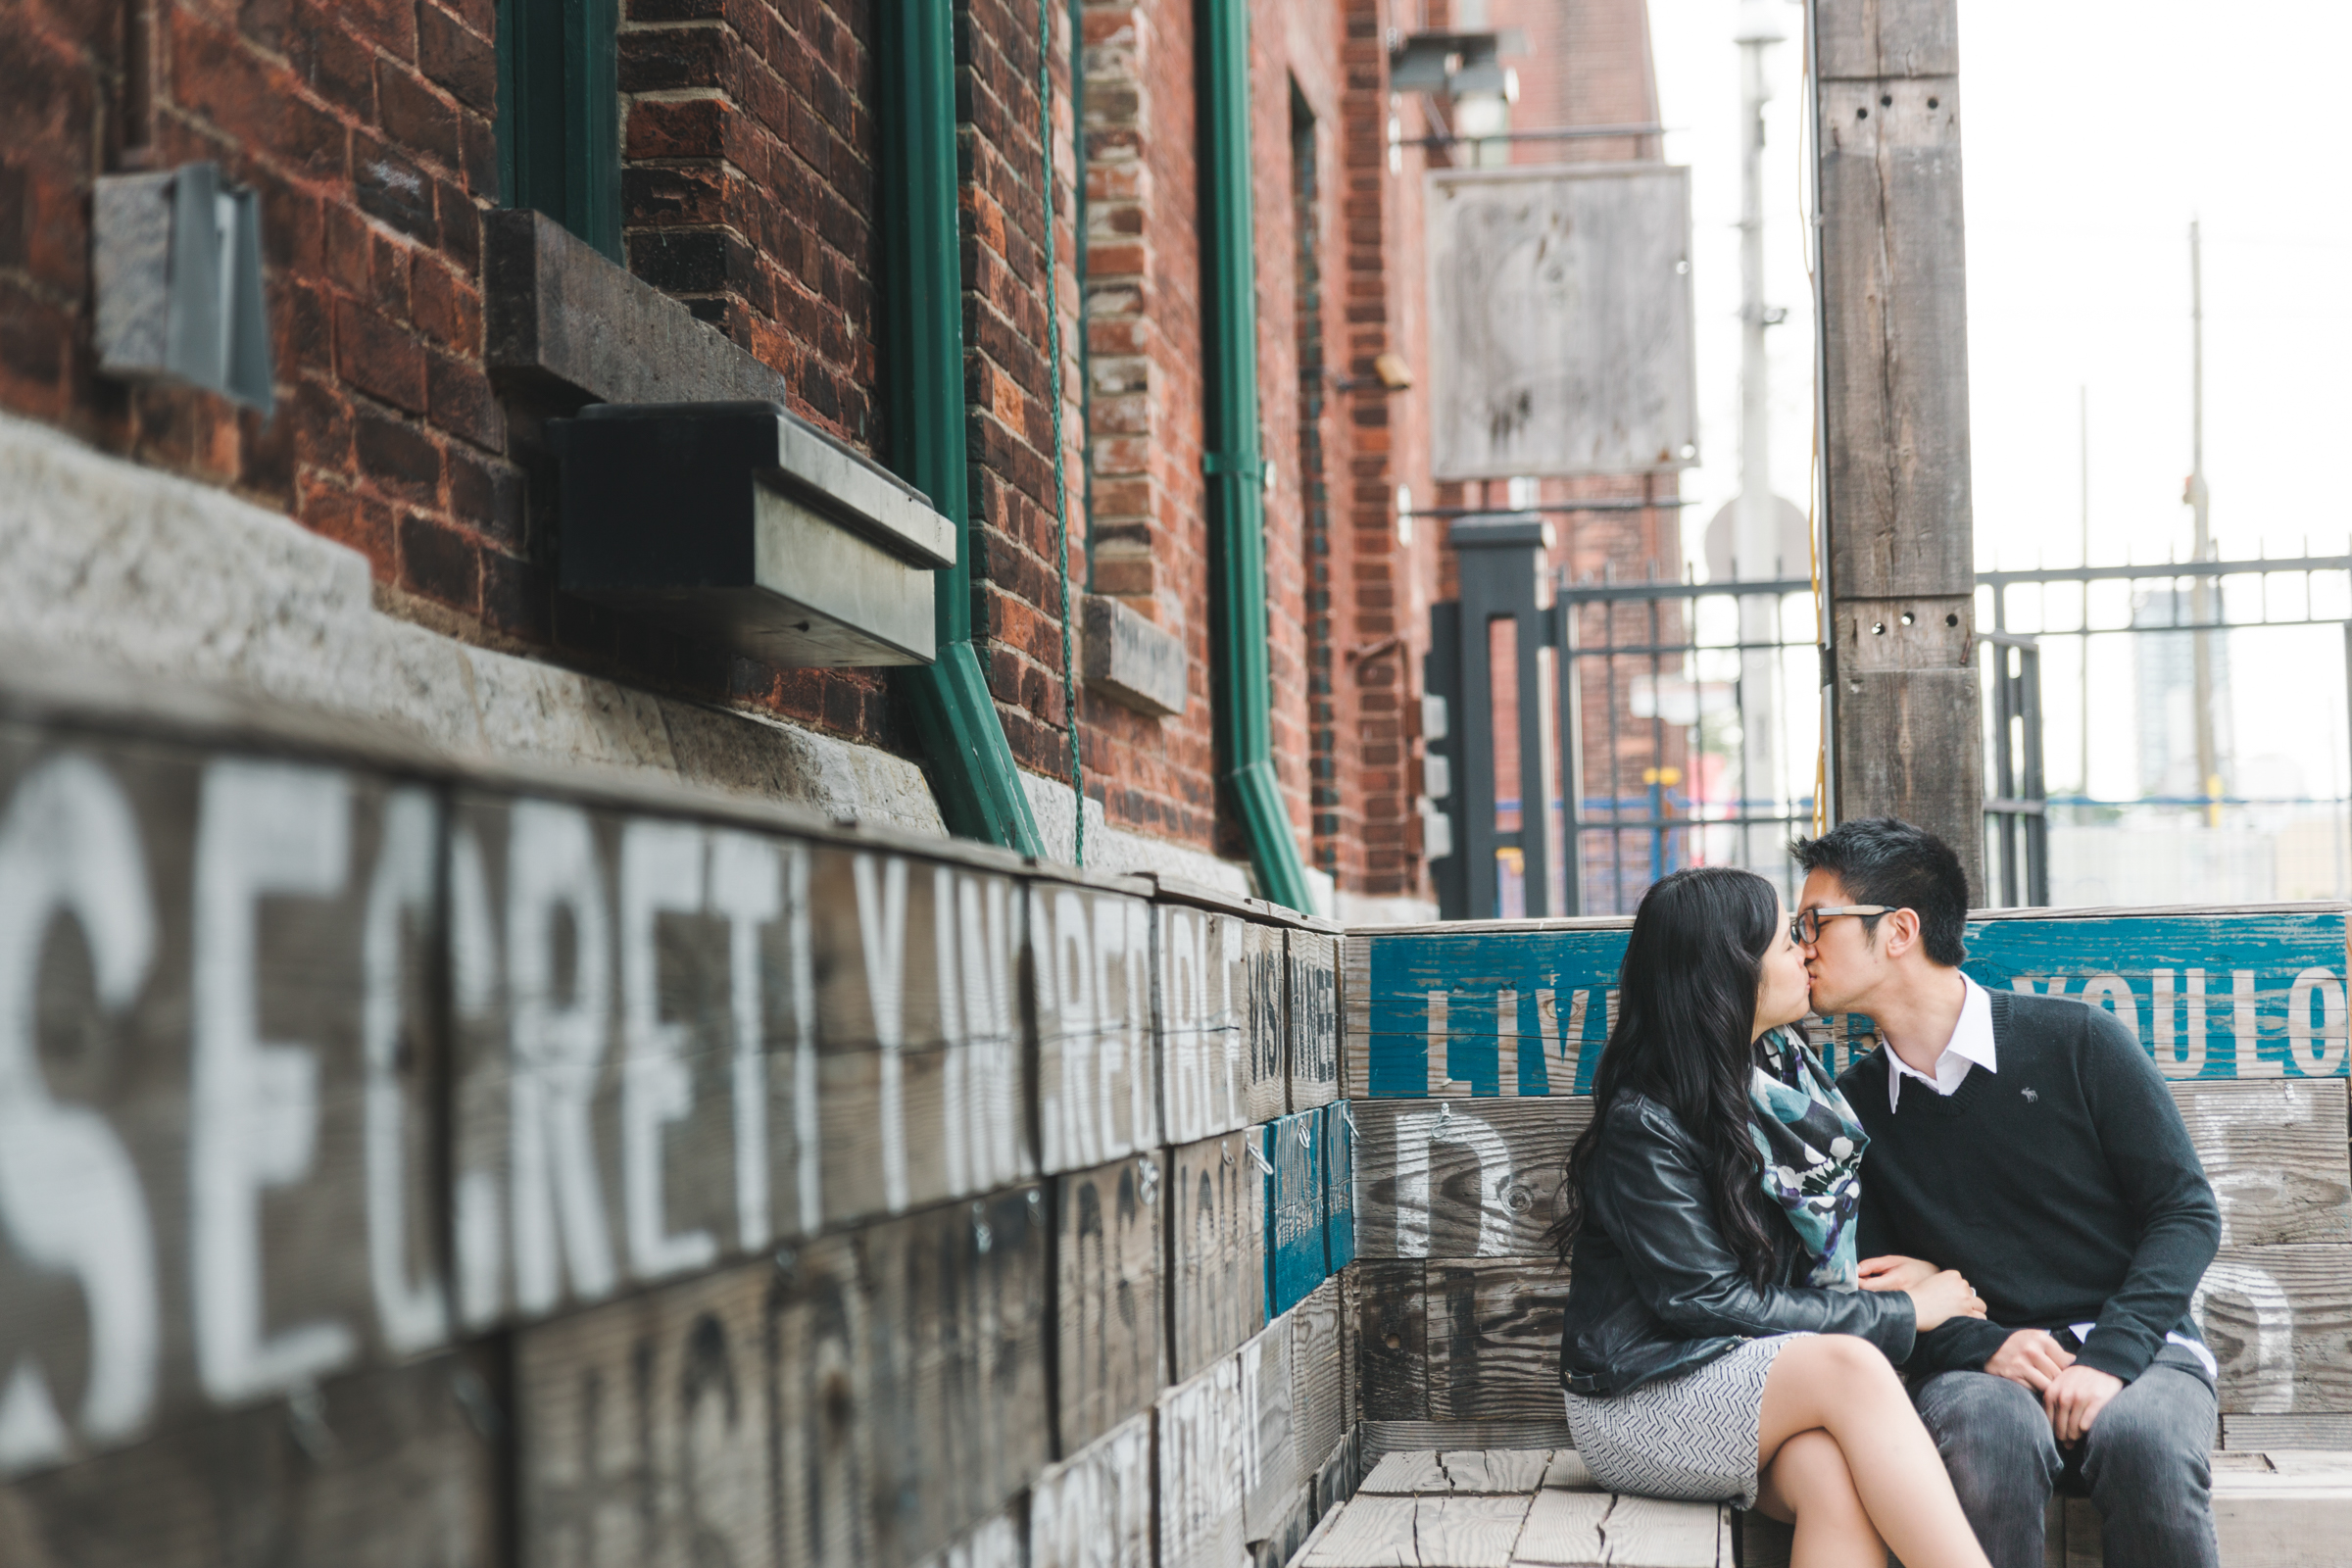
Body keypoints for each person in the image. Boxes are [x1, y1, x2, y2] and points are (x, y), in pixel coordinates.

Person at [1796, 818, 2224, 1568]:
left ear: (1898, 931)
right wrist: (1986, 1346)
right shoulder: (1850, 1111)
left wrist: (2111, 1356)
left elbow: (2184, 1211)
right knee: (1985, 1439)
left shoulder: (2078, 1041)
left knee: (2146, 1442)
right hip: (1977, 1369)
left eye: (1816, 921)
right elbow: (1874, 1286)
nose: (1803, 944)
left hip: (2137, 1345)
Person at [1553, 864, 1997, 1568]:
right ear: (1730, 975)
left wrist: (1896, 1283)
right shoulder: (1646, 1121)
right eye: (1787, 941)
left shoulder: (1784, 1081)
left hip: (1746, 1378)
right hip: (1641, 1399)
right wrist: (1907, 1313)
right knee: (1852, 1367)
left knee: (1831, 1478)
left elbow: (1807, 1262)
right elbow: (1706, 1301)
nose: (1806, 951)